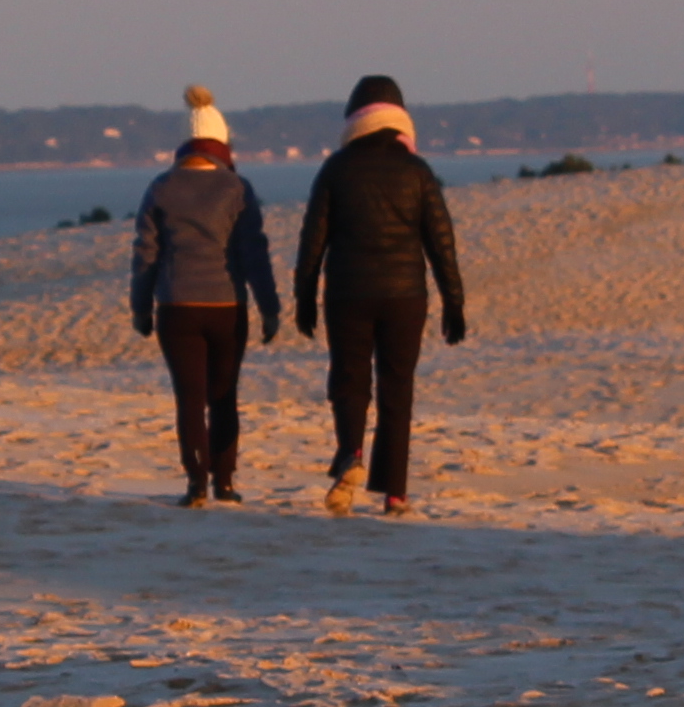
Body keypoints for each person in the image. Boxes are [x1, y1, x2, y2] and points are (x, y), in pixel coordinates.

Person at [289, 72, 466, 515]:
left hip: (348, 293)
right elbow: (441, 241)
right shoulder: (417, 171)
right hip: (405, 296)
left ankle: (351, 453)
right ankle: (396, 492)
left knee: (349, 380)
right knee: (396, 388)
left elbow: (312, 240)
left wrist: (304, 297)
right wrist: (454, 301)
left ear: (354, 120)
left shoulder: (335, 169)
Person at [126, 87, 280, 505]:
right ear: (221, 142)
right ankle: (225, 482)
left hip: (176, 306)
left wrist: (140, 307)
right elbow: (254, 253)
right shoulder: (236, 188)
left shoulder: (161, 187)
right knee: (223, 395)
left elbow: (146, 254)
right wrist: (269, 308)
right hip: (227, 306)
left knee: (189, 398)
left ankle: (195, 484)